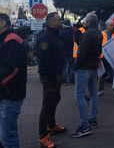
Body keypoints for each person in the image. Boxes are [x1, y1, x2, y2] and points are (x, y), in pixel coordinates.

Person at [37, 12, 67, 148]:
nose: (61, 22)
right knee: (47, 104)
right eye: (59, 20)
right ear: (51, 22)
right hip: (50, 77)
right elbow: (44, 61)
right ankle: (43, 136)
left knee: (56, 98)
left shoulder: (56, 35)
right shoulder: (45, 37)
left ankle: (52, 125)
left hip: (57, 75)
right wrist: (52, 76)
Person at [72, 12, 102, 138]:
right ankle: (92, 118)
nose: (83, 22)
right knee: (93, 94)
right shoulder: (99, 33)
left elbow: (82, 53)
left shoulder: (87, 34)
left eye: (85, 21)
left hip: (84, 68)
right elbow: (98, 50)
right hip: (93, 67)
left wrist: (76, 66)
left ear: (88, 22)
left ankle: (85, 126)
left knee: (79, 95)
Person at [0, 13, 27, 148]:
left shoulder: (11, 40)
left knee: (7, 137)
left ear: (3, 22)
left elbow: (12, 68)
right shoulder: (4, 39)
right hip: (5, 92)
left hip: (10, 93)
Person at [97, 21, 114, 97]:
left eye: (113, 25)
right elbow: (99, 45)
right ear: (107, 26)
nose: (112, 26)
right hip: (104, 57)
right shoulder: (102, 33)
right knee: (102, 74)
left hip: (112, 57)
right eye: (111, 25)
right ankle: (100, 90)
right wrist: (99, 57)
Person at [59, 19, 75, 85]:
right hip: (71, 51)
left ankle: (64, 80)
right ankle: (71, 80)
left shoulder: (60, 32)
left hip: (62, 52)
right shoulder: (73, 32)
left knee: (63, 66)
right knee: (71, 66)